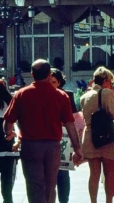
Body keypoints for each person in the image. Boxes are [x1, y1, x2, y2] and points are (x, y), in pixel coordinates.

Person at [3, 59, 84, 203]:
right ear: (49, 74)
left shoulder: (21, 94)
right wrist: (77, 149)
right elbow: (70, 124)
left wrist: (8, 133)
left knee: (34, 186)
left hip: (30, 146)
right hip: (53, 147)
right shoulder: (61, 96)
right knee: (50, 186)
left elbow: (8, 121)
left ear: (32, 74)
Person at [80, 67, 114, 203]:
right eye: (111, 82)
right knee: (109, 173)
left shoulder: (84, 96)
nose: (111, 85)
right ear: (105, 80)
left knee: (94, 174)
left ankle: (93, 201)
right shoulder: (107, 93)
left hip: (90, 137)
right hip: (106, 137)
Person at [49, 68, 79, 203]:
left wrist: (77, 145)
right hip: (48, 138)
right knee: (49, 175)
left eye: (54, 82)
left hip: (65, 137)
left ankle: (64, 200)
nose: (51, 84)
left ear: (59, 82)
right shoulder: (43, 95)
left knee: (63, 172)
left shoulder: (67, 95)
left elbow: (75, 119)